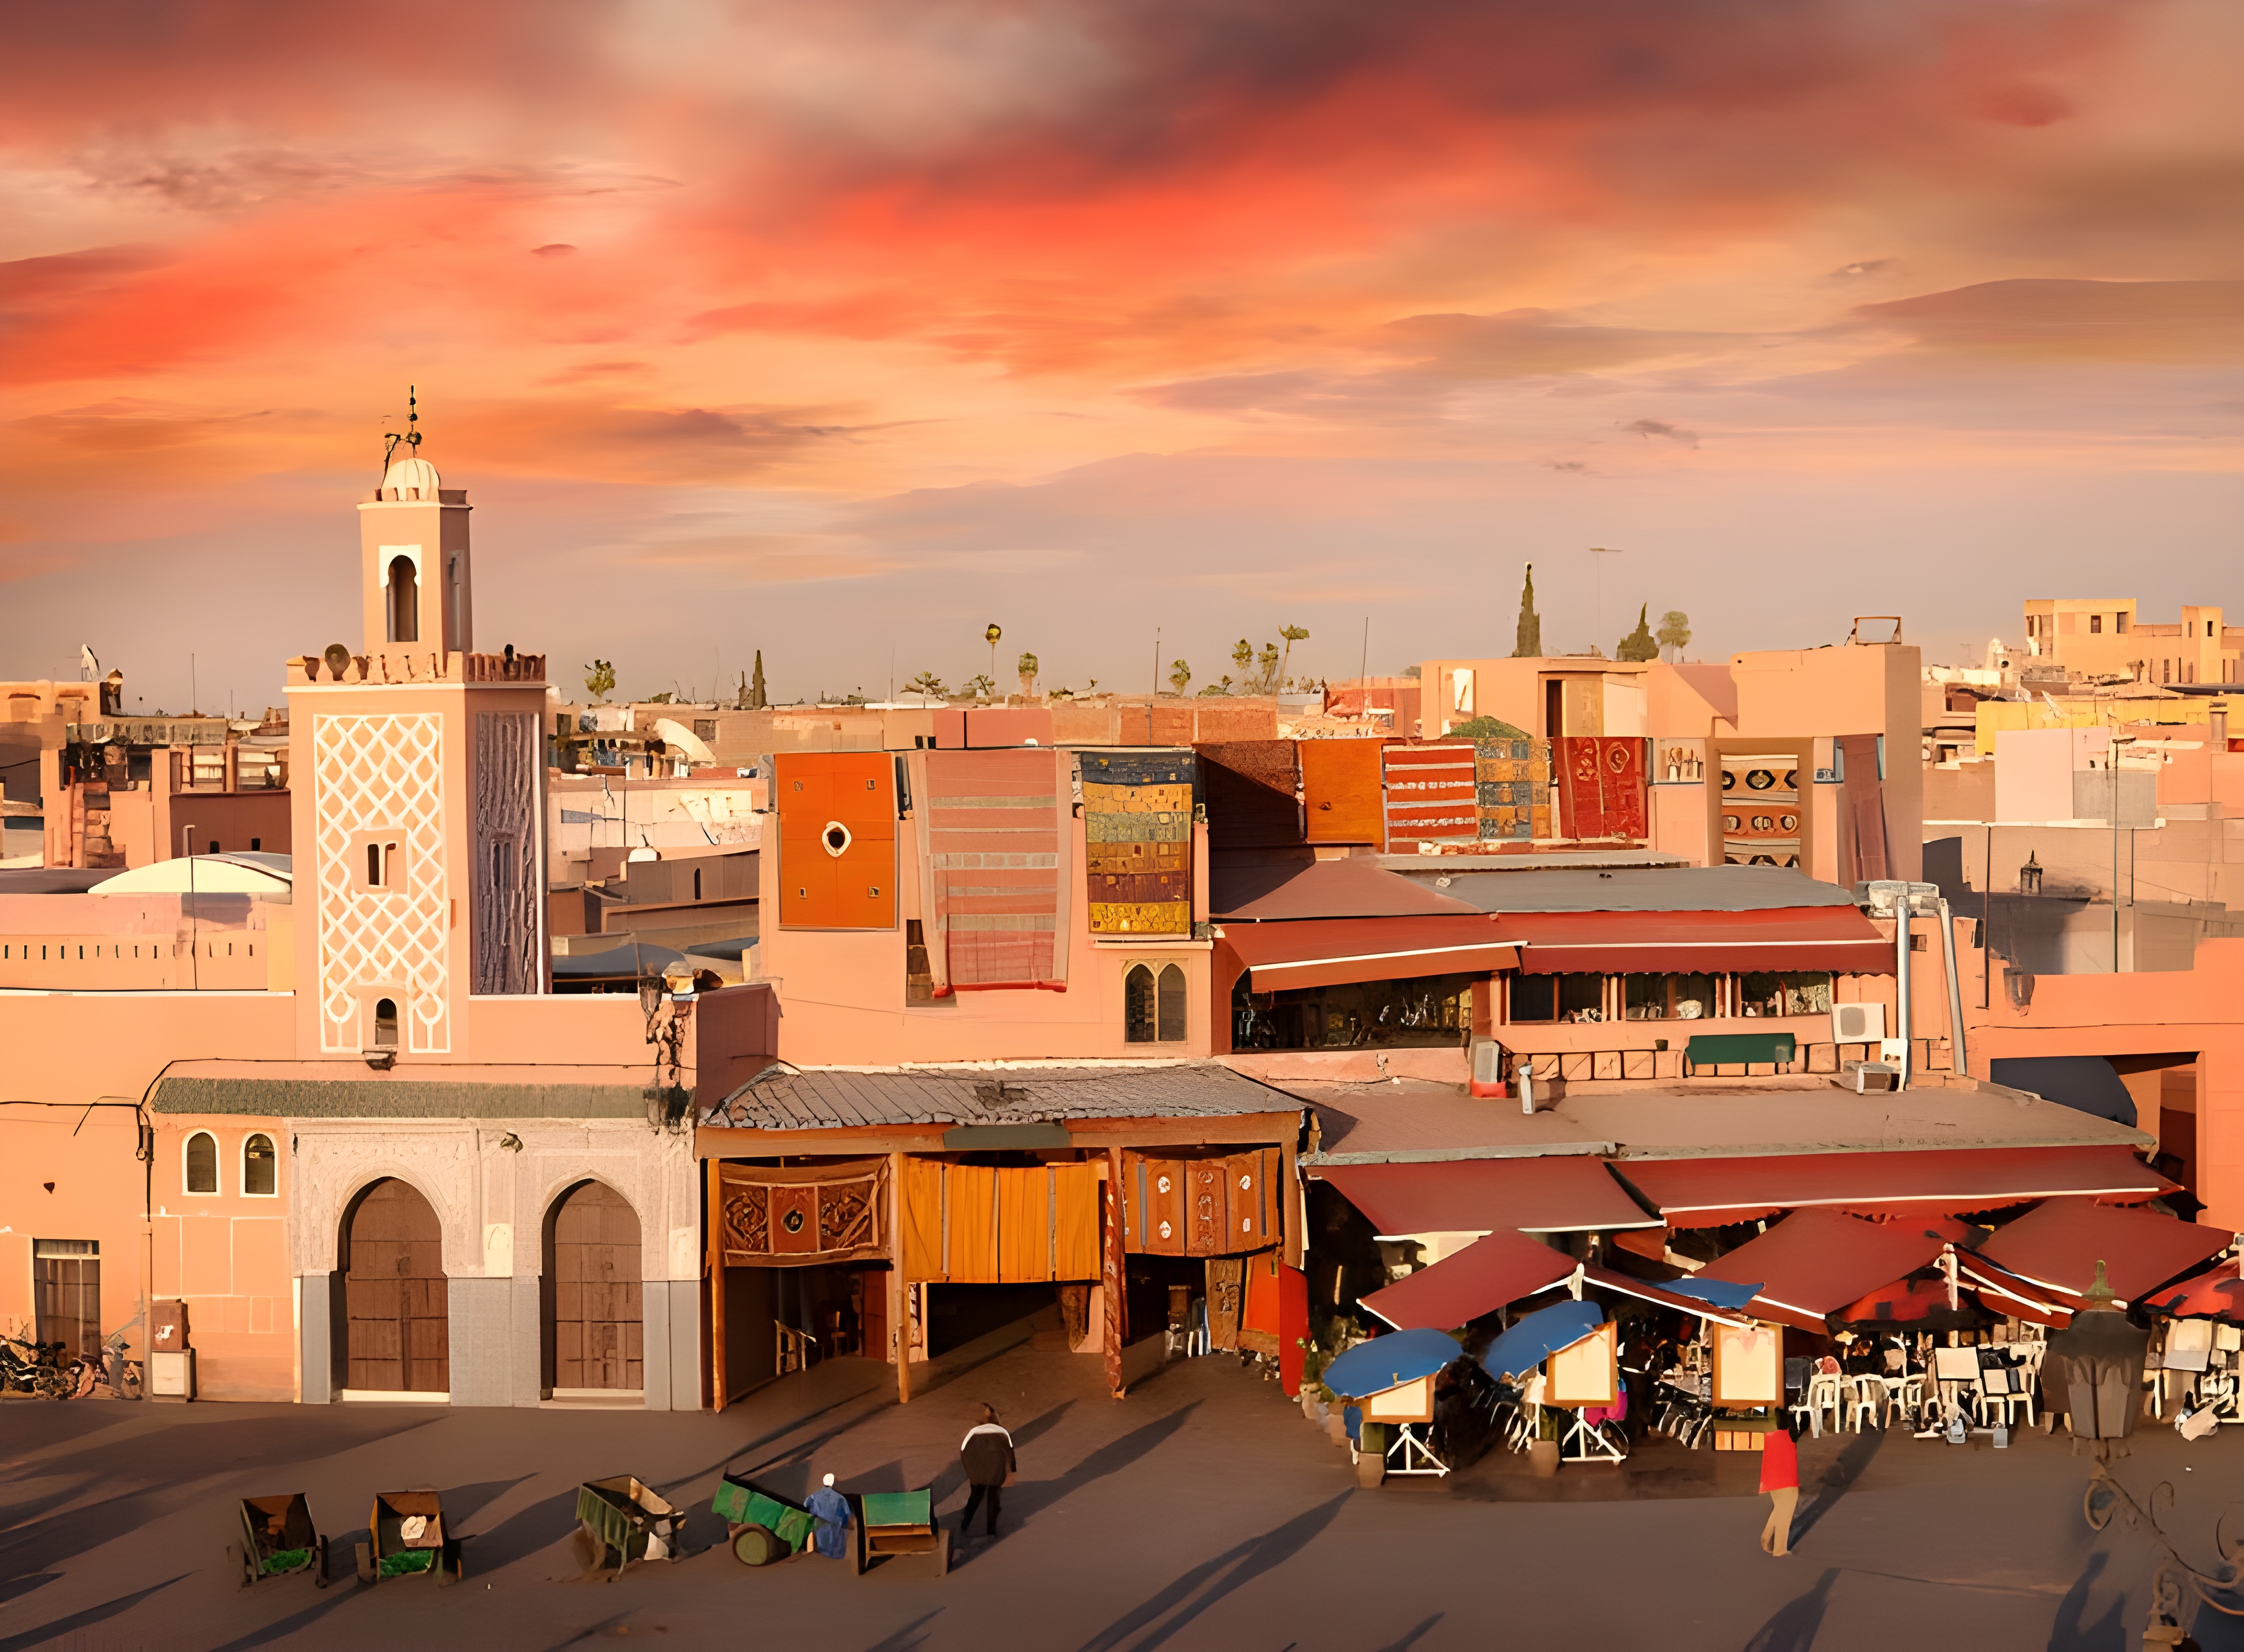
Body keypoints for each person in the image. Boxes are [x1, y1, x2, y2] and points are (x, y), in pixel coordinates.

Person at [958, 1403, 1016, 1541]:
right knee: (993, 1497)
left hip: (977, 1471)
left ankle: (966, 1522)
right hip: (995, 1470)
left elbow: (964, 1453)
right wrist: (1012, 1471)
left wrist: (971, 1473)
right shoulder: (1001, 1433)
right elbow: (1010, 1453)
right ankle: (991, 1530)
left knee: (976, 1495)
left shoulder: (973, 1433)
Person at [1759, 1419, 1801, 1557]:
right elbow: (1802, 1426)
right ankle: (1779, 1549)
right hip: (1787, 1479)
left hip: (1771, 1477)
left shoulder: (1769, 1432)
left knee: (1779, 1509)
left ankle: (1767, 1536)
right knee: (1786, 1514)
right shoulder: (1791, 1432)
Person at [805, 1472, 852, 1560]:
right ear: (833, 1483)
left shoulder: (814, 1497)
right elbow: (846, 1513)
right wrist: (844, 1524)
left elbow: (806, 1507)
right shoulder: (840, 1498)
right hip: (836, 1527)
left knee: (823, 1546)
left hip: (820, 1525)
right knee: (836, 1549)